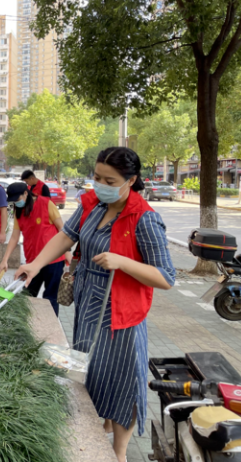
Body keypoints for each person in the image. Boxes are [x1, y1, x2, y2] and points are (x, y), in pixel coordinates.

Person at [14, 147, 175, 462]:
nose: (100, 184)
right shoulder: (92, 204)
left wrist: (123, 262)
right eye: (97, 176)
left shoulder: (144, 219)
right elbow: (65, 237)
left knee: (123, 384)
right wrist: (34, 264)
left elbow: (166, 277)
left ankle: (119, 451)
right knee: (91, 371)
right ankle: (97, 426)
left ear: (131, 180)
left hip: (122, 319)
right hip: (89, 309)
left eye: (109, 179)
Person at [0, 182, 65, 315]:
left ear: (25, 193)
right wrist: (4, 260)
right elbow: (14, 237)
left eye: (17, 200)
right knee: (28, 295)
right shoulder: (18, 211)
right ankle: (26, 325)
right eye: (13, 201)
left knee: (51, 297)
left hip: (53, 260)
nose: (16, 203)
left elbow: (62, 229)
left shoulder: (46, 203)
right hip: (32, 261)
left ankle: (51, 330)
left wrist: (67, 252)